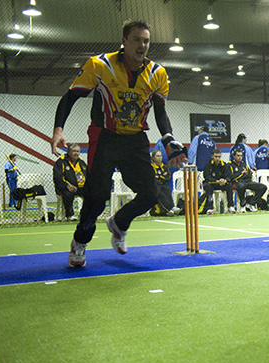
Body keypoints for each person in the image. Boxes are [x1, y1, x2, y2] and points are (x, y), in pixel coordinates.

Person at [51, 20, 187, 268]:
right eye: (136, 40)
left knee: (150, 194)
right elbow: (71, 96)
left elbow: (160, 111)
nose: (142, 45)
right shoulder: (99, 65)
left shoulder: (158, 73)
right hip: (105, 136)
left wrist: (168, 138)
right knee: (97, 195)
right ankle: (79, 242)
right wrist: (58, 129)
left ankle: (119, 223)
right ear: (124, 42)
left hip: (136, 139)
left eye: (146, 41)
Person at [53, 143, 87, 220]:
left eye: (78, 151)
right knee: (68, 194)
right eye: (73, 151)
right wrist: (67, 185)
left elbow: (87, 175)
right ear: (68, 152)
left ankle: (83, 214)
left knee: (91, 193)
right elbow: (57, 178)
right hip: (64, 188)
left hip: (80, 187)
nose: (76, 153)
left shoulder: (81, 162)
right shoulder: (60, 162)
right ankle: (70, 215)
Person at [202, 149, 234, 214]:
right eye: (216, 157)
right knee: (208, 187)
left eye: (219, 157)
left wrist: (225, 180)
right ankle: (209, 208)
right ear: (212, 156)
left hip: (221, 184)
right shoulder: (208, 165)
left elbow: (229, 175)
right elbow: (207, 177)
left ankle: (230, 206)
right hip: (212, 184)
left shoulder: (224, 165)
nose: (217, 158)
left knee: (229, 185)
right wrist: (216, 181)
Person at [150, 150, 179, 216]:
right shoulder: (151, 167)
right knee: (159, 190)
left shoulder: (164, 167)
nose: (159, 158)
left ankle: (172, 207)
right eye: (157, 156)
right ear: (153, 158)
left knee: (167, 189)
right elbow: (152, 178)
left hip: (162, 184)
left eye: (160, 156)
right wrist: (162, 176)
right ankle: (168, 209)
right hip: (154, 186)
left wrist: (159, 176)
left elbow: (167, 177)